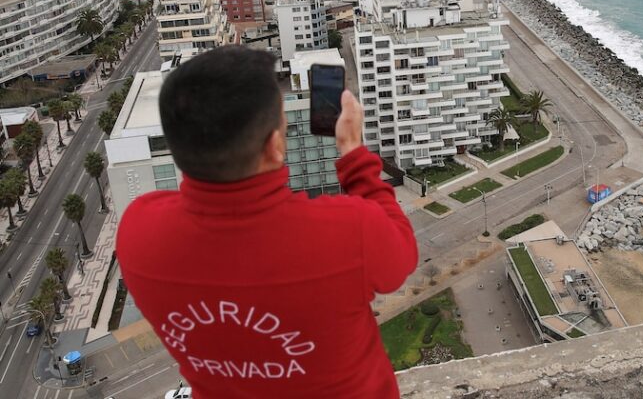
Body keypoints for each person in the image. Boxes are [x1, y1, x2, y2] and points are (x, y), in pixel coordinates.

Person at [116, 46, 418, 398]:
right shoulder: (347, 231)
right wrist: (353, 153)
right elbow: (401, 255)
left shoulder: (139, 233)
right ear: (275, 146)